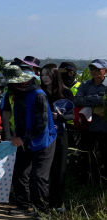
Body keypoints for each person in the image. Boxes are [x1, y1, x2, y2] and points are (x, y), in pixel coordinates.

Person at [1, 65, 57, 215]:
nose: (9, 86)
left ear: (20, 82)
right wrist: (14, 136)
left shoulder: (38, 94)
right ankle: (23, 205)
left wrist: (23, 139)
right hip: (25, 141)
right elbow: (19, 120)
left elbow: (41, 125)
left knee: (38, 177)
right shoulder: (16, 94)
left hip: (43, 141)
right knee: (19, 172)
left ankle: (43, 212)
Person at [40, 63, 74, 211]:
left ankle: (58, 203)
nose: (44, 78)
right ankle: (42, 202)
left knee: (59, 170)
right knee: (43, 170)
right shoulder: (39, 92)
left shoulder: (66, 92)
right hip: (42, 135)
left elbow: (72, 115)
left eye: (48, 74)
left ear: (55, 75)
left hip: (60, 135)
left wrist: (61, 117)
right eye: (42, 75)